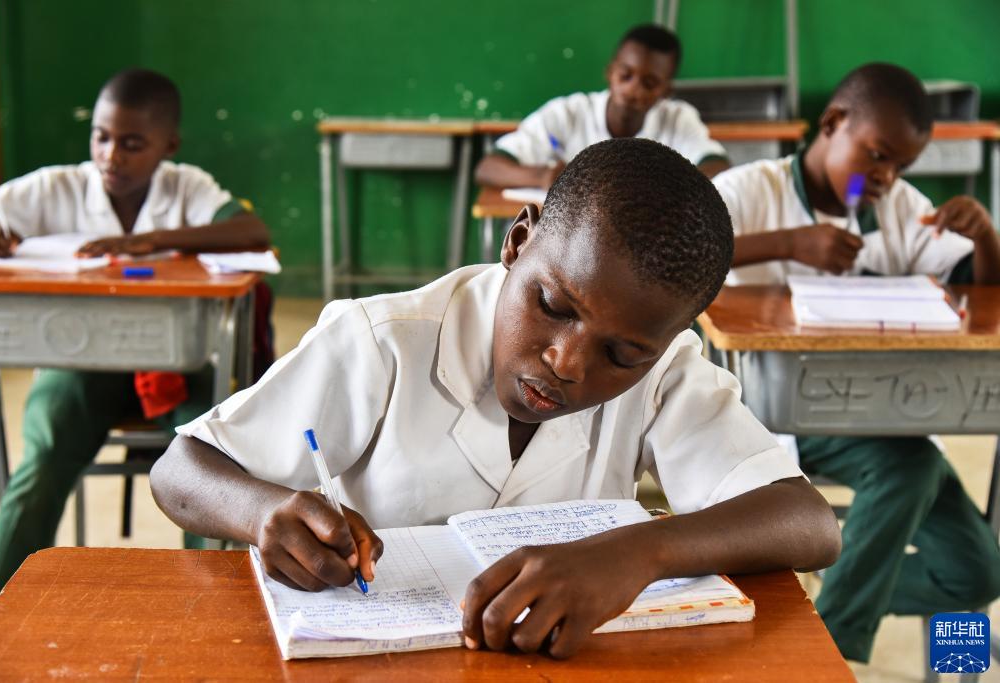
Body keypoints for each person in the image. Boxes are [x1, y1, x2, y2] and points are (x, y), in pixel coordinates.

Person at [150, 138, 840, 659]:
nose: (566, 361)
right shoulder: (382, 341)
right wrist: (263, 510)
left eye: (621, 355)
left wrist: (638, 552)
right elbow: (181, 470)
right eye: (553, 306)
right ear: (517, 240)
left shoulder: (665, 371)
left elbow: (808, 523)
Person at [712, 62, 1000, 661]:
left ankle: (826, 610)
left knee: (976, 573)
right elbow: (679, 250)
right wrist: (789, 243)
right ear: (833, 123)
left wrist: (987, 240)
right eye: (876, 155)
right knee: (910, 469)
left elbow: (980, 292)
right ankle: (832, 649)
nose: (885, 176)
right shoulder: (750, 190)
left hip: (881, 413)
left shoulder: (899, 207)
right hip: (772, 413)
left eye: (900, 166)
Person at [0, 68, 270, 616]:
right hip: (81, 366)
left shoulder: (187, 188)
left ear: (168, 146)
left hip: (178, 366)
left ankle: (214, 608)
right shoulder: (57, 187)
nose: (111, 156)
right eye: (102, 138)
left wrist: (148, 241)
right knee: (44, 451)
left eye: (133, 144)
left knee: (206, 458)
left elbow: (252, 233)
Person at [474, 24, 729, 190]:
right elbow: (488, 168)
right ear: (610, 72)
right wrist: (544, 177)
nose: (633, 89)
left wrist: (663, 186)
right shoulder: (567, 113)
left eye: (649, 83)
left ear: (666, 91)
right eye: (625, 75)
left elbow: (719, 168)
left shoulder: (678, 119)